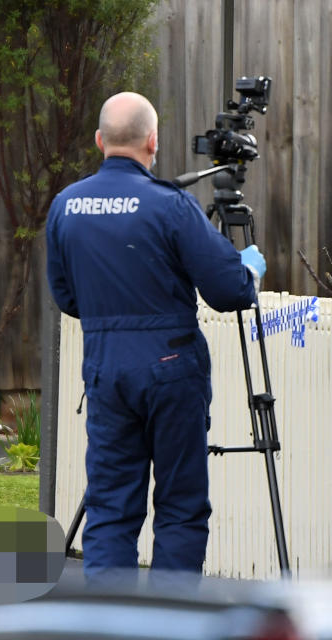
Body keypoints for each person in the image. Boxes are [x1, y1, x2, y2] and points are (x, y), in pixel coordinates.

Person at [45, 92, 266, 580]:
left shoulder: (66, 206)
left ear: (100, 140)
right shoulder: (172, 206)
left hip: (106, 370)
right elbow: (228, 292)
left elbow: (67, 297)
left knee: (110, 506)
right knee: (181, 504)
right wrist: (247, 271)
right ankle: (171, 621)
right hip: (172, 370)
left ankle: (110, 625)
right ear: (153, 141)